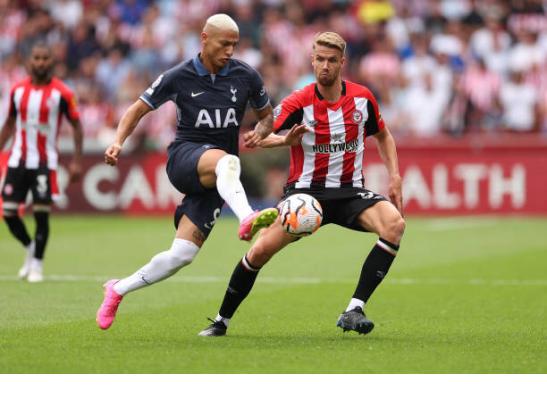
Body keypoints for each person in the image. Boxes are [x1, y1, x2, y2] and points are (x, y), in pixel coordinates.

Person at [199, 32, 405, 337]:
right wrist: (282, 139)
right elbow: (259, 135)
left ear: (341, 63)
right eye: (320, 59)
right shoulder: (299, 100)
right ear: (312, 60)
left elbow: (383, 136)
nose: (325, 66)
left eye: (331, 61)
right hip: (306, 196)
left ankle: (353, 309)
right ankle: (221, 320)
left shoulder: (363, 99)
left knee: (394, 224)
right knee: (259, 252)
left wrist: (395, 176)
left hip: (350, 192)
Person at [96, 14, 278, 330]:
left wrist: (262, 131)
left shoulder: (245, 76)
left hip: (217, 181)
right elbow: (137, 109)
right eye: (224, 44)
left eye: (235, 45)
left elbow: (268, 117)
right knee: (228, 161)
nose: (230, 51)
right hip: (185, 158)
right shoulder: (179, 76)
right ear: (205, 39)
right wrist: (117, 141)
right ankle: (247, 215)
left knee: (181, 255)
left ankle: (117, 289)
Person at [0, 42, 83, 283]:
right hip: (17, 160)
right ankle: (29, 248)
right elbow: (8, 124)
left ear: (52, 62)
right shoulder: (17, 91)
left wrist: (77, 161)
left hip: (45, 163)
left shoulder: (63, 93)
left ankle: (37, 264)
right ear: (29, 61)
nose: (40, 63)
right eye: (36, 58)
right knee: (8, 213)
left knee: (41, 215)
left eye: (45, 58)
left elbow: (77, 126)